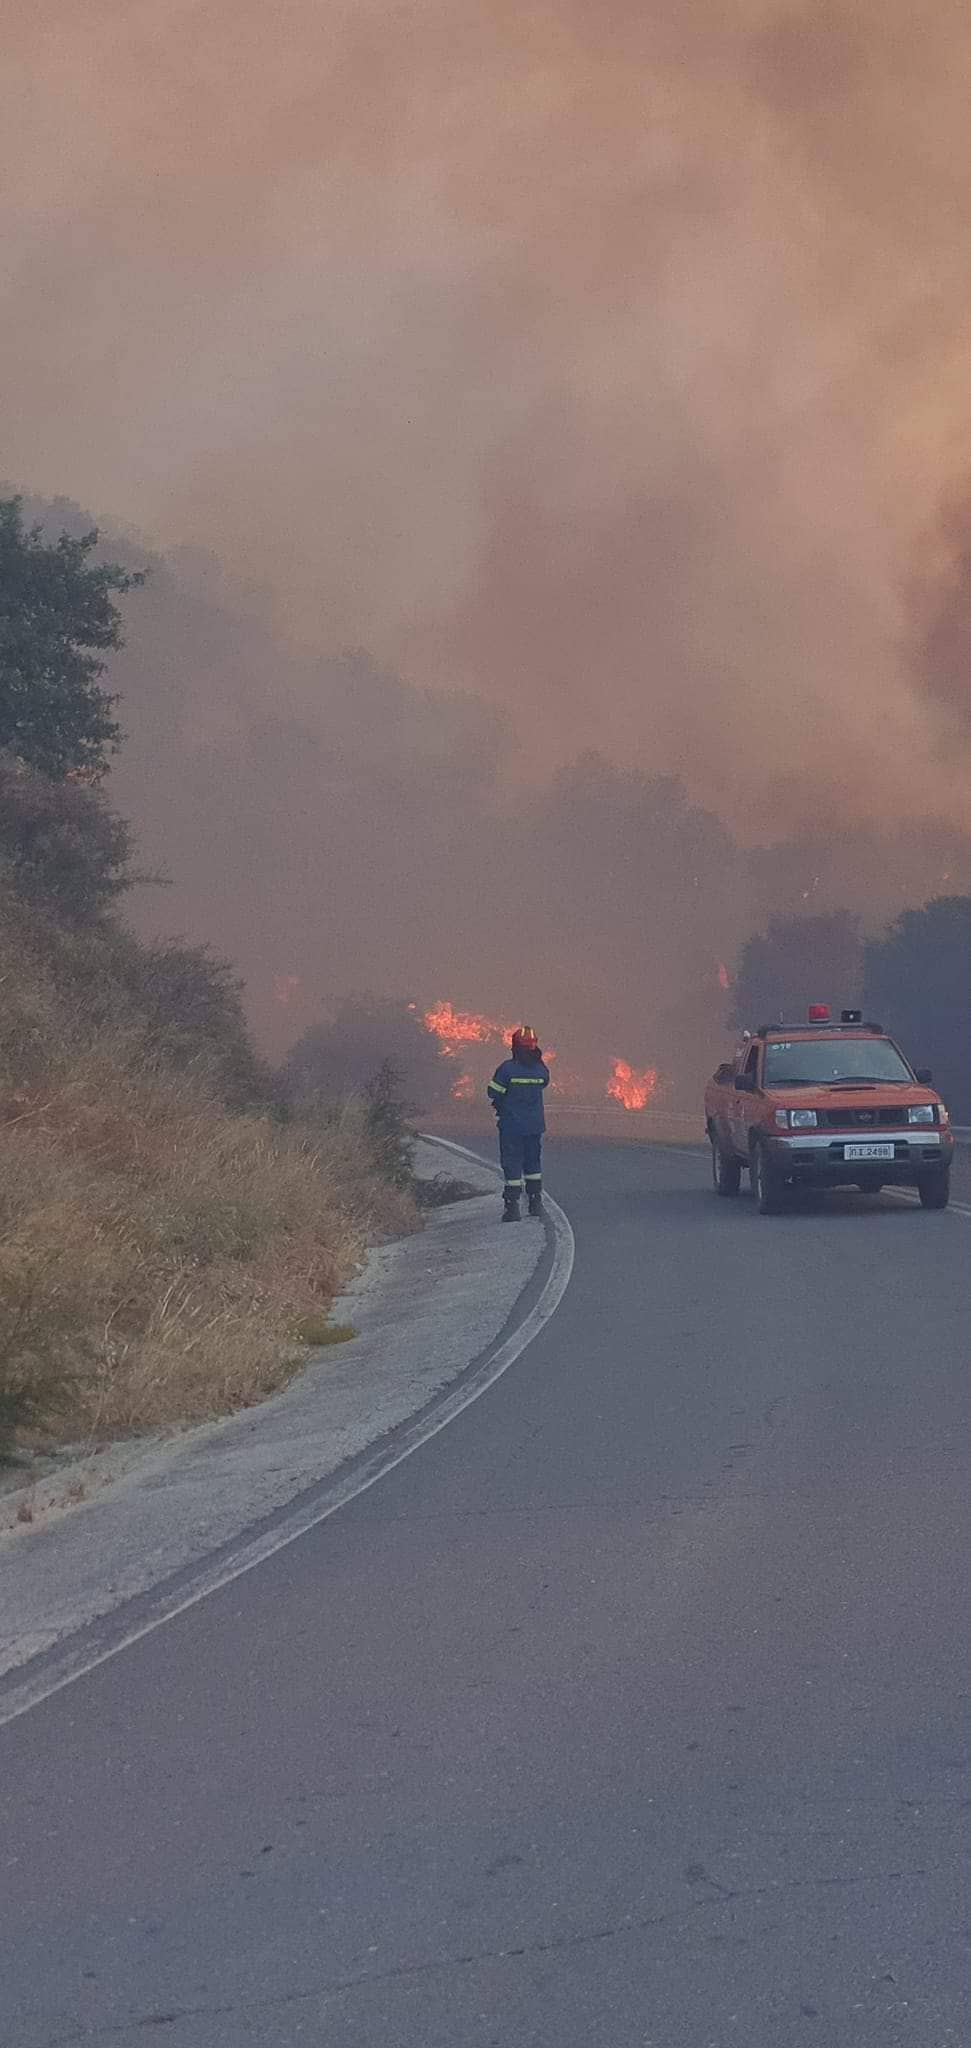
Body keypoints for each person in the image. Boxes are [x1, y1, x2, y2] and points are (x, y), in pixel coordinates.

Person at [487, 1025, 550, 1221]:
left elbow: (493, 1091)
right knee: (533, 1164)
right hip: (534, 1126)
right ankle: (535, 1203)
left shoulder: (507, 1069)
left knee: (512, 1165)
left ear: (515, 1046)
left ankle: (512, 1207)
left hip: (512, 1126)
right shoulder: (541, 1069)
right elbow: (544, 1082)